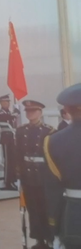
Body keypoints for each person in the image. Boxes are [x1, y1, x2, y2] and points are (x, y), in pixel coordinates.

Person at [44, 83, 81, 249]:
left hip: (72, 216)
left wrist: (55, 225)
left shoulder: (53, 141)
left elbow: (53, 190)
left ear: (66, 108)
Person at [16, 100, 54, 249]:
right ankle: (39, 239)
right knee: (33, 209)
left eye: (33, 111)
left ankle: (49, 237)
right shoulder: (21, 131)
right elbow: (18, 154)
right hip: (28, 175)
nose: (30, 114)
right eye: (28, 111)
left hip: (43, 175)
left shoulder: (49, 131)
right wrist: (18, 174)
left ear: (40, 113)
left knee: (45, 207)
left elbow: (52, 155)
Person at [0, 94, 19, 191]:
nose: (8, 103)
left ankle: (12, 180)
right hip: (6, 138)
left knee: (13, 160)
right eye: (6, 102)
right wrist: (16, 112)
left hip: (12, 138)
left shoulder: (9, 112)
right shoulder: (0, 112)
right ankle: (7, 182)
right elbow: (8, 117)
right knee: (8, 161)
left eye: (9, 102)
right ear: (1, 103)